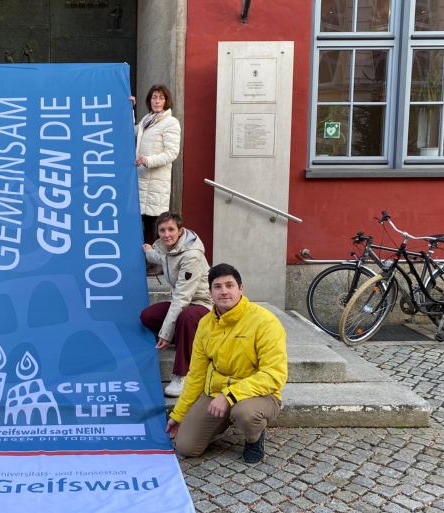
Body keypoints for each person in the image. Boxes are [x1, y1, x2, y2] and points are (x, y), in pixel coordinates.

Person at [166, 263, 287, 464]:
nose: (224, 291)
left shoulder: (265, 322)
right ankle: (220, 421)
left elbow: (274, 375)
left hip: (259, 395)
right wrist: (178, 415)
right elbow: (196, 374)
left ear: (241, 289)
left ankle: (254, 437)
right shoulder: (205, 324)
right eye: (218, 286)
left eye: (230, 285)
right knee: (185, 446)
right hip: (216, 393)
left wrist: (230, 396)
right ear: (210, 292)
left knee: (245, 413)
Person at [140, 211, 212, 397]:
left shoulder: (191, 255)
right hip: (183, 304)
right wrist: (148, 251)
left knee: (185, 317)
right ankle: (185, 335)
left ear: (180, 231)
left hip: (203, 305)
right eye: (162, 230)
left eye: (171, 229)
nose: (166, 234)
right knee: (148, 316)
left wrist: (165, 333)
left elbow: (182, 298)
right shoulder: (168, 249)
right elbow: (161, 257)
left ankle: (182, 375)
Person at [134, 84, 180, 276]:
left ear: (166, 100)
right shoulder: (147, 120)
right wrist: (129, 108)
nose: (157, 101)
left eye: (161, 98)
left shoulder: (170, 123)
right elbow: (133, 132)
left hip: (156, 182)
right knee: (143, 222)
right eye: (154, 97)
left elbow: (172, 152)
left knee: (156, 224)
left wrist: (148, 161)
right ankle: (147, 260)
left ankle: (159, 263)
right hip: (143, 180)